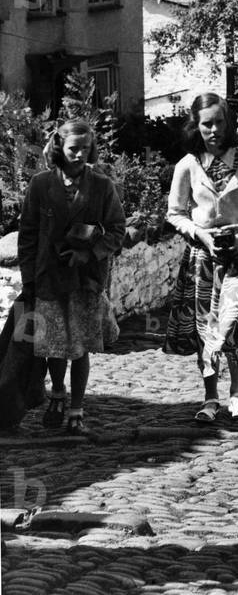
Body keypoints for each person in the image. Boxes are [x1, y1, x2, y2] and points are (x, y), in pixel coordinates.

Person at [164, 94, 238, 421]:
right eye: (206, 124)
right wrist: (199, 234)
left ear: (228, 123)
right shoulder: (188, 165)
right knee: (205, 327)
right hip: (202, 255)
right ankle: (210, 397)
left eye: (219, 122)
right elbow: (175, 213)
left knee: (234, 319)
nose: (213, 130)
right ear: (196, 126)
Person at [17, 120, 125, 435]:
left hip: (86, 280)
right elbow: (28, 235)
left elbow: (117, 231)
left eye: (85, 148)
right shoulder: (40, 184)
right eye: (72, 148)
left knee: (79, 347)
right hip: (49, 278)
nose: (79, 154)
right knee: (53, 345)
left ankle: (76, 407)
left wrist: (89, 254)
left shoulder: (102, 186)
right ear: (59, 148)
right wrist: (28, 280)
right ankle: (57, 393)